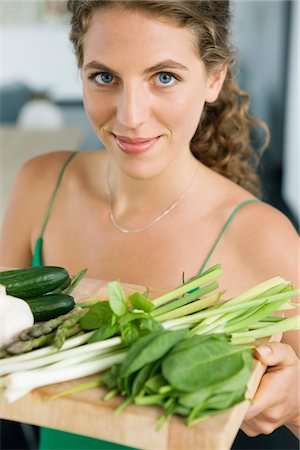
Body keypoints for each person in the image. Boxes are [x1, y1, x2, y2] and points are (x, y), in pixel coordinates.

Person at [0, 1, 299, 449]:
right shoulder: (40, 183)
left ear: (213, 78)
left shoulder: (261, 237)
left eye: (165, 77)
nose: (130, 116)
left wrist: (294, 405)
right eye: (105, 77)